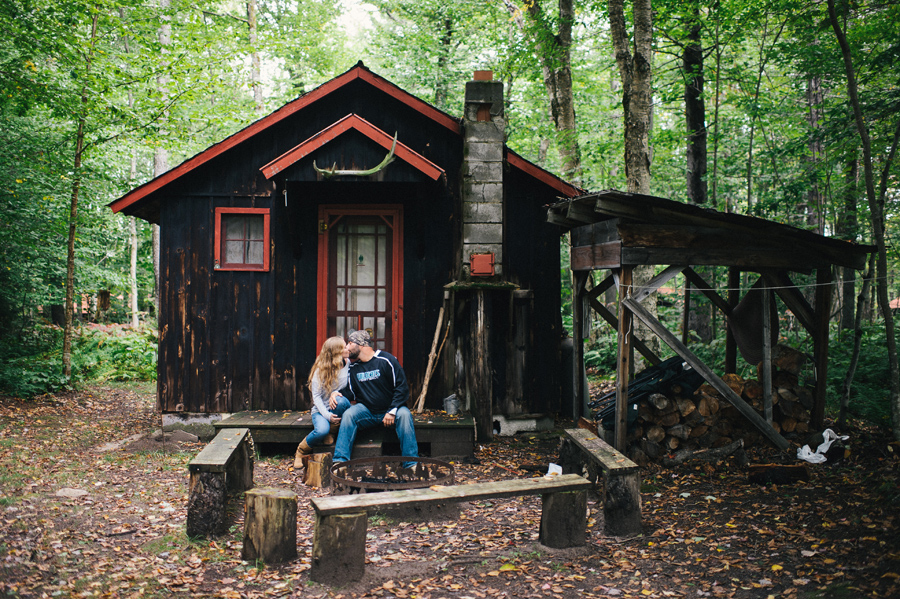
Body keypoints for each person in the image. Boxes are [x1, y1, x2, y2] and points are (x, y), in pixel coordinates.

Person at [333, 329, 419, 468]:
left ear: (360, 345)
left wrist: (391, 411)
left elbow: (401, 388)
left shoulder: (386, 360)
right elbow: (351, 392)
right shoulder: (354, 367)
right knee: (349, 414)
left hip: (391, 410)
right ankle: (340, 462)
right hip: (368, 411)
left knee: (404, 415)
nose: (347, 348)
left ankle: (411, 464)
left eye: (349, 343)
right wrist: (335, 393)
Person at [294, 336, 352, 467]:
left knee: (340, 401)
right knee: (321, 431)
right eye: (343, 347)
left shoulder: (347, 363)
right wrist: (326, 415)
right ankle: (300, 451)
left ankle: (331, 431)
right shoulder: (320, 370)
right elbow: (316, 397)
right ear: (336, 352)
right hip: (321, 410)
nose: (347, 348)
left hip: (338, 405)